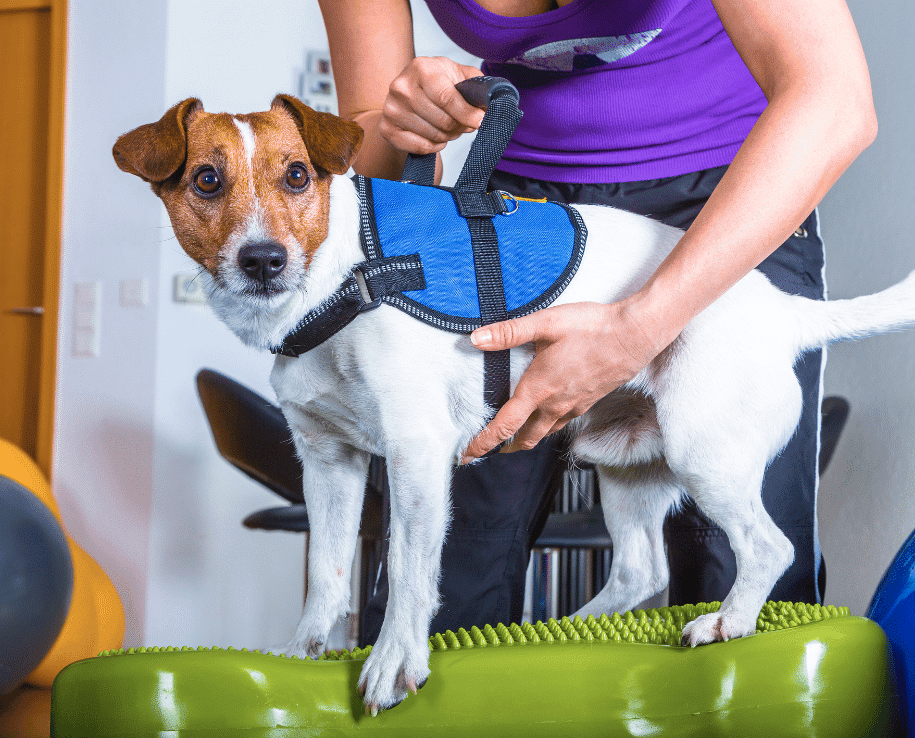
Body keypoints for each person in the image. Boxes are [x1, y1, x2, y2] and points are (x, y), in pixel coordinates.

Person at [317, 0, 877, 645]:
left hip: (726, 200)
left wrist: (636, 331)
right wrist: (404, 120)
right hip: (519, 213)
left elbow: (834, 101)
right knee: (441, 590)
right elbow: (373, 163)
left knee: (740, 597)